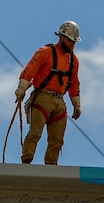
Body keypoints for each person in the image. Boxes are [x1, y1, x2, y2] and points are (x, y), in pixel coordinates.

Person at [15, 21, 82, 165]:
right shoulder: (45, 52)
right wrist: (21, 90)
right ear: (62, 37)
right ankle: (26, 161)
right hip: (42, 98)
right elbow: (29, 71)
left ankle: (51, 165)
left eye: (74, 42)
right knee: (35, 133)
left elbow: (74, 83)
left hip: (59, 102)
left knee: (57, 140)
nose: (72, 44)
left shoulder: (73, 61)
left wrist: (76, 104)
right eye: (70, 41)